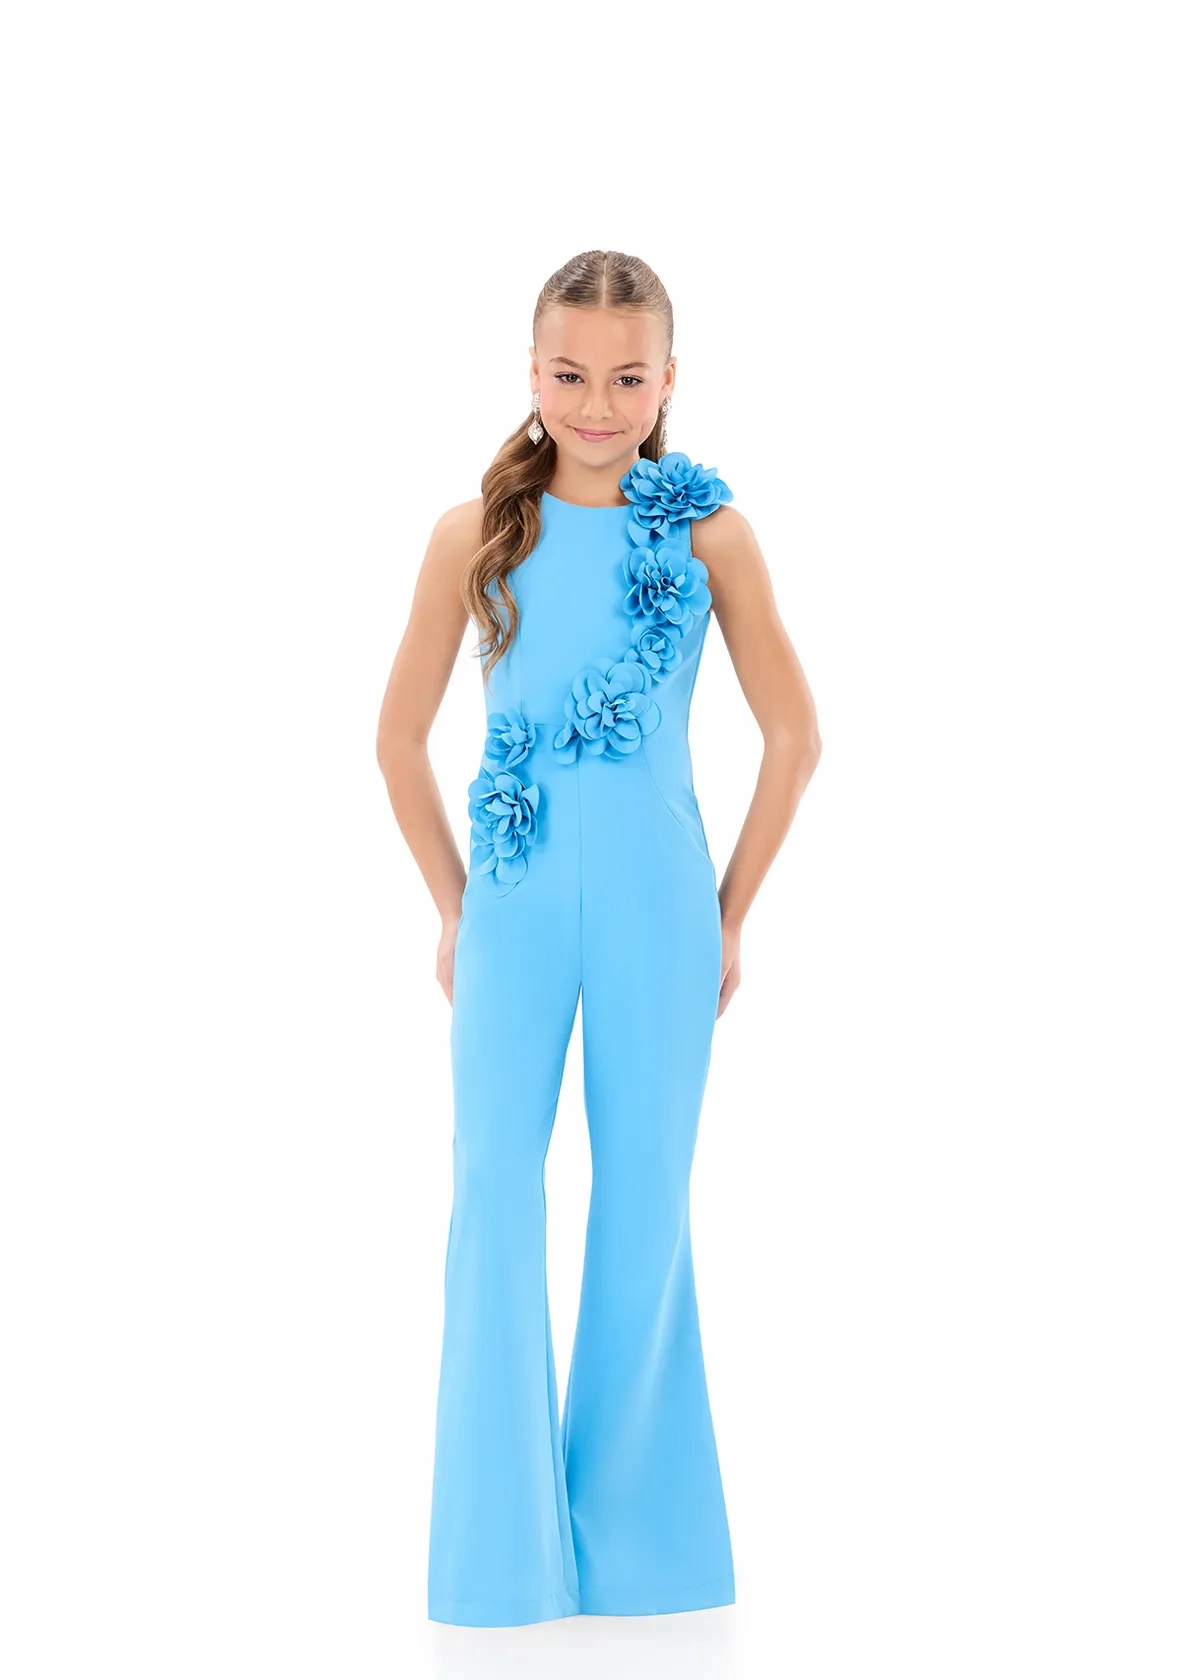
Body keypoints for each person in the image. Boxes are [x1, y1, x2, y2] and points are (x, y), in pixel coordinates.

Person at [375, 249, 822, 1628]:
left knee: (645, 1210)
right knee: (493, 1200)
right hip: (512, 913)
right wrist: (456, 909)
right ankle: (499, 1560)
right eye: (570, 375)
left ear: (670, 380)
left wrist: (728, 914)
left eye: (629, 379)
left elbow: (796, 738)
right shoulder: (474, 533)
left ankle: (642, 1555)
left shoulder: (710, 536)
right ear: (531, 372)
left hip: (658, 917)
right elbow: (395, 742)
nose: (598, 404)